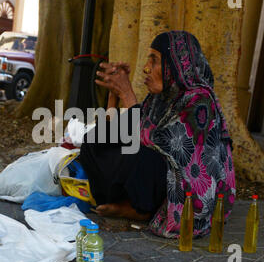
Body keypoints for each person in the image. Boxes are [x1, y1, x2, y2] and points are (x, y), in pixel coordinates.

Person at [79, 31, 236, 238]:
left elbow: (158, 143)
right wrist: (114, 94)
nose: (146, 68)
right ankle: (123, 202)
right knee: (94, 139)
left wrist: (127, 94)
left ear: (176, 64)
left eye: (154, 61)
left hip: (183, 186)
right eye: (148, 60)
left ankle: (141, 210)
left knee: (145, 156)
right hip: (154, 172)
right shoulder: (162, 96)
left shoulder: (199, 99)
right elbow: (120, 131)